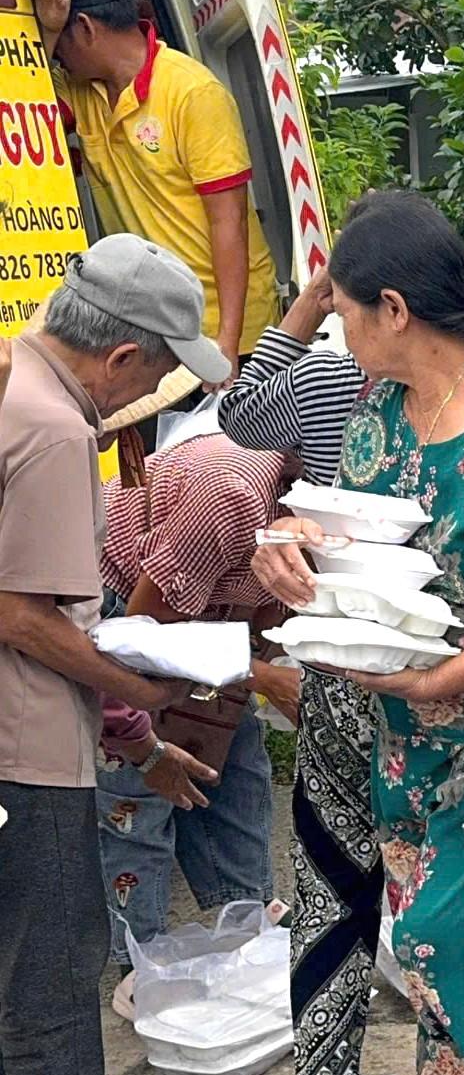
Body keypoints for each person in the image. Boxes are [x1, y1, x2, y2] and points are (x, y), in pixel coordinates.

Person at [252, 193, 464, 1075]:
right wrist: (296, 561)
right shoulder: (378, 416)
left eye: (342, 309)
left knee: (463, 943)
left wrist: (448, 673)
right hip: (405, 726)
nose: (339, 326)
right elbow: (355, 547)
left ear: (393, 311)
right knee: (430, 962)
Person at [0, 233, 228, 1075]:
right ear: (121, 355)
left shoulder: (8, 377)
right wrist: (147, 689)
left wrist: (139, 742)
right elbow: (23, 617)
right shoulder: (56, 429)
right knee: (51, 1000)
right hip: (28, 764)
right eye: (154, 374)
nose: (146, 395)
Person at [219, 256, 388, 1075]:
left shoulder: (321, 371)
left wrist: (295, 318)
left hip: (353, 663)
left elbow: (238, 412)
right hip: (395, 669)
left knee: (333, 877)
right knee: (382, 883)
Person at [96, 428, 300, 1016]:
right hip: (130, 613)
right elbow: (140, 640)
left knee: (232, 762)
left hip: (212, 622)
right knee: (140, 787)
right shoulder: (229, 495)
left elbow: (267, 617)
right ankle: (141, 957)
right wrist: (260, 675)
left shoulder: (334, 514)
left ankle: (245, 916)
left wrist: (262, 664)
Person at [25, 0, 279, 384]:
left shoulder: (191, 92)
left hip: (226, 328)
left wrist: (227, 346)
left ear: (83, 28)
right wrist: (47, 32)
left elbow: (229, 223)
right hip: (153, 328)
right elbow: (24, 101)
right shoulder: (82, 93)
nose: (57, 58)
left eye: (59, 42)